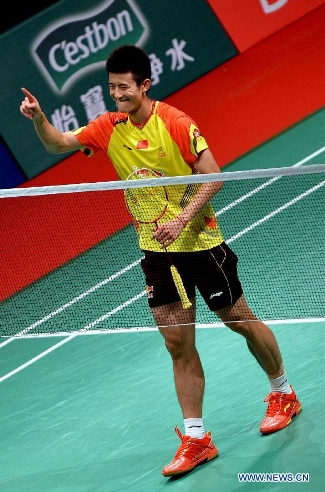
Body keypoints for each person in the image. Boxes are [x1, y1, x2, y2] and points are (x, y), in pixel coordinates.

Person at [20, 44, 301, 477]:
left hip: (200, 243)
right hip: (155, 251)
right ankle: (196, 438)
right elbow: (59, 144)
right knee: (176, 344)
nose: (117, 95)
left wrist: (185, 217)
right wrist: (39, 118)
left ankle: (283, 391)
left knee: (239, 319)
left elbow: (215, 173)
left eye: (124, 88)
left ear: (144, 85)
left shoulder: (175, 123)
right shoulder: (108, 128)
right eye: (112, 88)